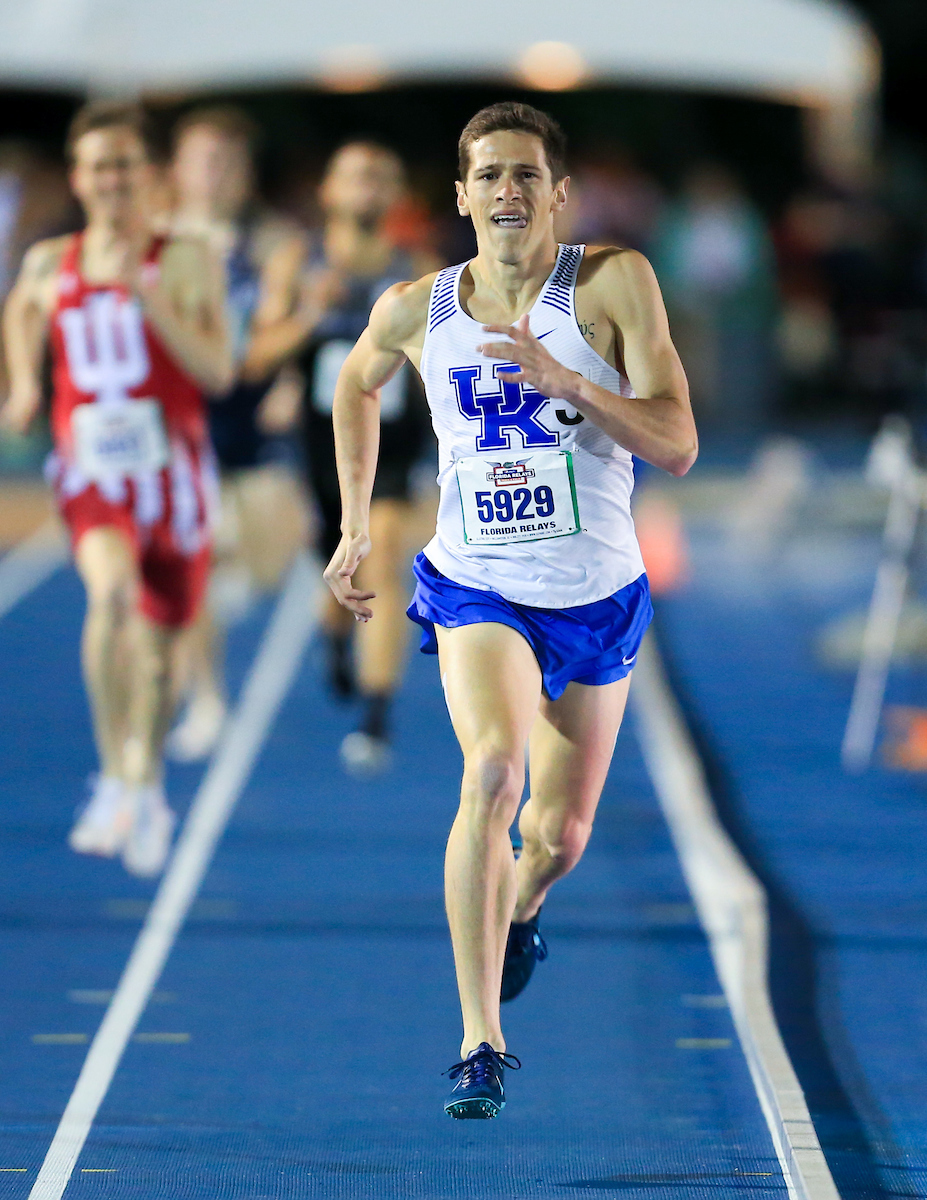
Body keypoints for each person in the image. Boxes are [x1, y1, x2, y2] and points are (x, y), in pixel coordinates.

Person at [324, 100, 697, 1118]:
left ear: (558, 192)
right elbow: (355, 387)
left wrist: (565, 377)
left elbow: (676, 440)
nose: (507, 191)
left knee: (561, 836)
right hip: (478, 585)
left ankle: (525, 904)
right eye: (488, 175)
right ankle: (480, 1039)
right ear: (459, 195)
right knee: (491, 772)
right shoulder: (420, 307)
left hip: (595, 594)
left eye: (526, 174)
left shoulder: (613, 282)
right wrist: (356, 526)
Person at [0, 101, 232, 876]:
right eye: (98, 166)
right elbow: (21, 310)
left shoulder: (188, 257)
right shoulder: (49, 260)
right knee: (107, 598)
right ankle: (113, 775)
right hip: (91, 469)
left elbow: (218, 371)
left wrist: (152, 298)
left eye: (125, 166)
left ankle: (147, 777)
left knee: (163, 656)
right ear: (78, 177)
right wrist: (24, 386)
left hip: (175, 478)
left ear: (150, 177)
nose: (111, 181)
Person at [166, 106, 310, 760]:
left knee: (268, 556)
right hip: (182, 413)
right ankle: (206, 699)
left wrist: (290, 381)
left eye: (228, 162)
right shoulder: (159, 236)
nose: (217, 174)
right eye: (205, 160)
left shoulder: (275, 239)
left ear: (246, 174)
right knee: (196, 562)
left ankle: (233, 576)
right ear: (179, 169)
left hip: (254, 407)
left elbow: (302, 317)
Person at [300, 141, 435, 773]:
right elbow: (250, 359)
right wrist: (306, 314)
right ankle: (333, 636)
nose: (368, 191)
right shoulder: (297, 264)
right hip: (317, 445)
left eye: (381, 178)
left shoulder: (420, 271)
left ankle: (378, 711)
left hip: (394, 443)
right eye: (356, 177)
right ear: (329, 191)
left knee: (380, 553)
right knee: (335, 566)